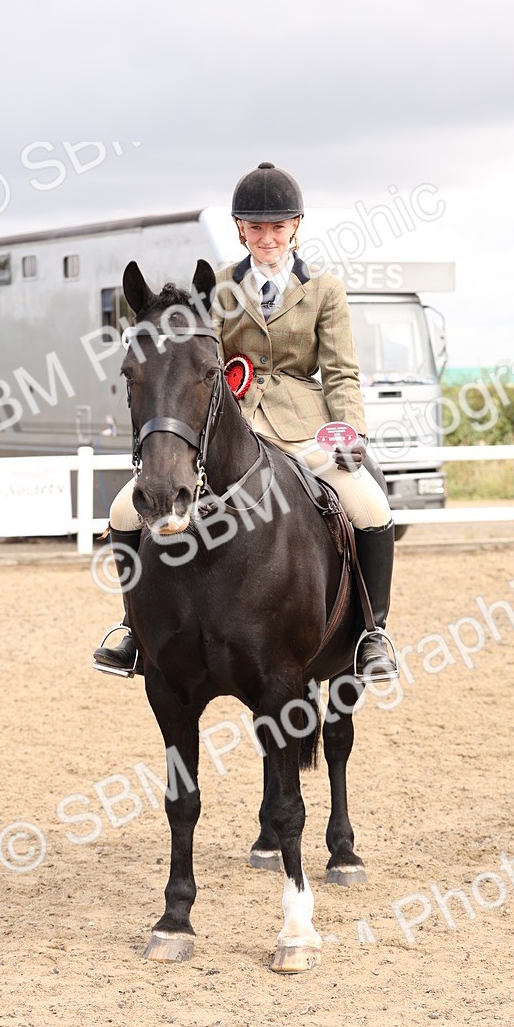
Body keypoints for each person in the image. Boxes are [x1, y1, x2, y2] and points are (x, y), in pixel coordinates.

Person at [93, 161, 396, 680]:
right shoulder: (219, 288)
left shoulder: (325, 290)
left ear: (295, 226)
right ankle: (132, 629)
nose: (267, 237)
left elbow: (342, 372)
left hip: (304, 427)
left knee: (367, 501)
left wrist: (353, 433)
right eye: (256, 228)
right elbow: (195, 358)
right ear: (241, 230)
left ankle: (372, 633)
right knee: (125, 509)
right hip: (232, 428)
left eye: (278, 227)